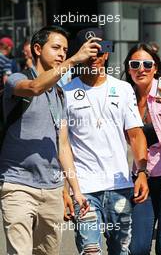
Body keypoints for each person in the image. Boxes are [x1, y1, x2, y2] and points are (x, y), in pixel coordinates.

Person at [0, 25, 102, 255]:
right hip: (17, 185)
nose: (61, 54)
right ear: (37, 49)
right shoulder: (16, 79)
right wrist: (75, 59)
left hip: (52, 189)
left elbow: (63, 146)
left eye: (65, 50)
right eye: (56, 48)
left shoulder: (59, 93)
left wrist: (75, 191)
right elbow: (35, 87)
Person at [63, 28, 149, 255]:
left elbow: (136, 134)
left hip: (119, 187)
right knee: (90, 250)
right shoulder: (65, 91)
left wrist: (142, 172)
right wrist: (65, 190)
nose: (94, 58)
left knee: (121, 251)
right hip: (84, 190)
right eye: (88, 52)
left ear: (107, 54)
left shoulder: (122, 89)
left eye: (99, 52)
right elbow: (60, 145)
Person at [122, 43, 161, 255]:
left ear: (155, 67)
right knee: (138, 247)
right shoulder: (125, 95)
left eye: (147, 64)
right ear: (128, 69)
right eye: (135, 64)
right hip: (141, 176)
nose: (141, 68)